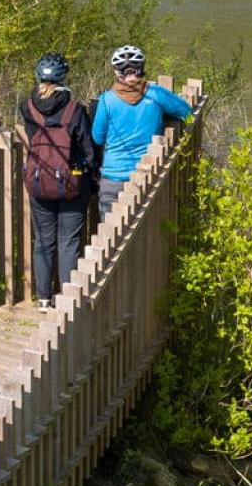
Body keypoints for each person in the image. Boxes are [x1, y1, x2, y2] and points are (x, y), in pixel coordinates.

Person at [20, 52, 96, 310]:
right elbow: (88, 149)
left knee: (43, 242)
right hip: (71, 185)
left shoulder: (27, 107)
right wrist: (92, 177)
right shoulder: (75, 110)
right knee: (68, 242)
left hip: (39, 182)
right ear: (64, 77)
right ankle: (66, 300)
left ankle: (43, 299)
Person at [90, 44, 193, 217]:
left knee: (110, 233)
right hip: (146, 175)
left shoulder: (107, 100)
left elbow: (97, 138)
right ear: (142, 69)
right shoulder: (155, 94)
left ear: (117, 73)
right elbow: (187, 111)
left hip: (113, 176)